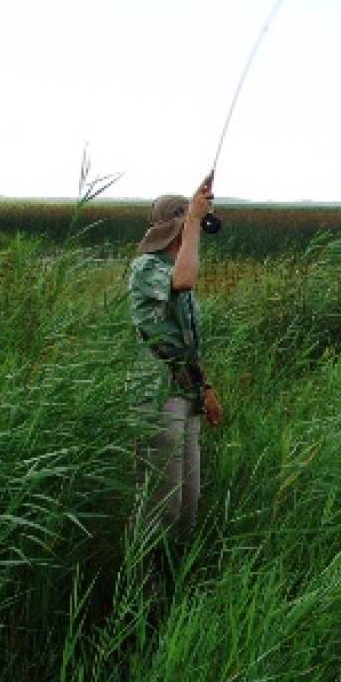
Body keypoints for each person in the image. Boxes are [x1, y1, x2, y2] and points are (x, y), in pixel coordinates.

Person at [128, 173, 222, 536]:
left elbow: (185, 342)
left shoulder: (176, 266)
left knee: (187, 505)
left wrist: (207, 388)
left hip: (186, 393)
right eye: (185, 225)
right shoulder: (146, 268)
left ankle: (174, 582)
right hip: (155, 395)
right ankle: (143, 588)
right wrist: (194, 221)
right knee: (159, 506)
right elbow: (183, 281)